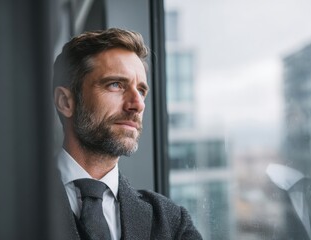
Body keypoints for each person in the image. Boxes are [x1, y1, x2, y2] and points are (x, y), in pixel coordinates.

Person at [53, 28, 203, 240]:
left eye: (141, 91)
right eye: (116, 84)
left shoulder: (172, 223)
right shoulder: (6, 205)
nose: (138, 104)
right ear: (66, 102)